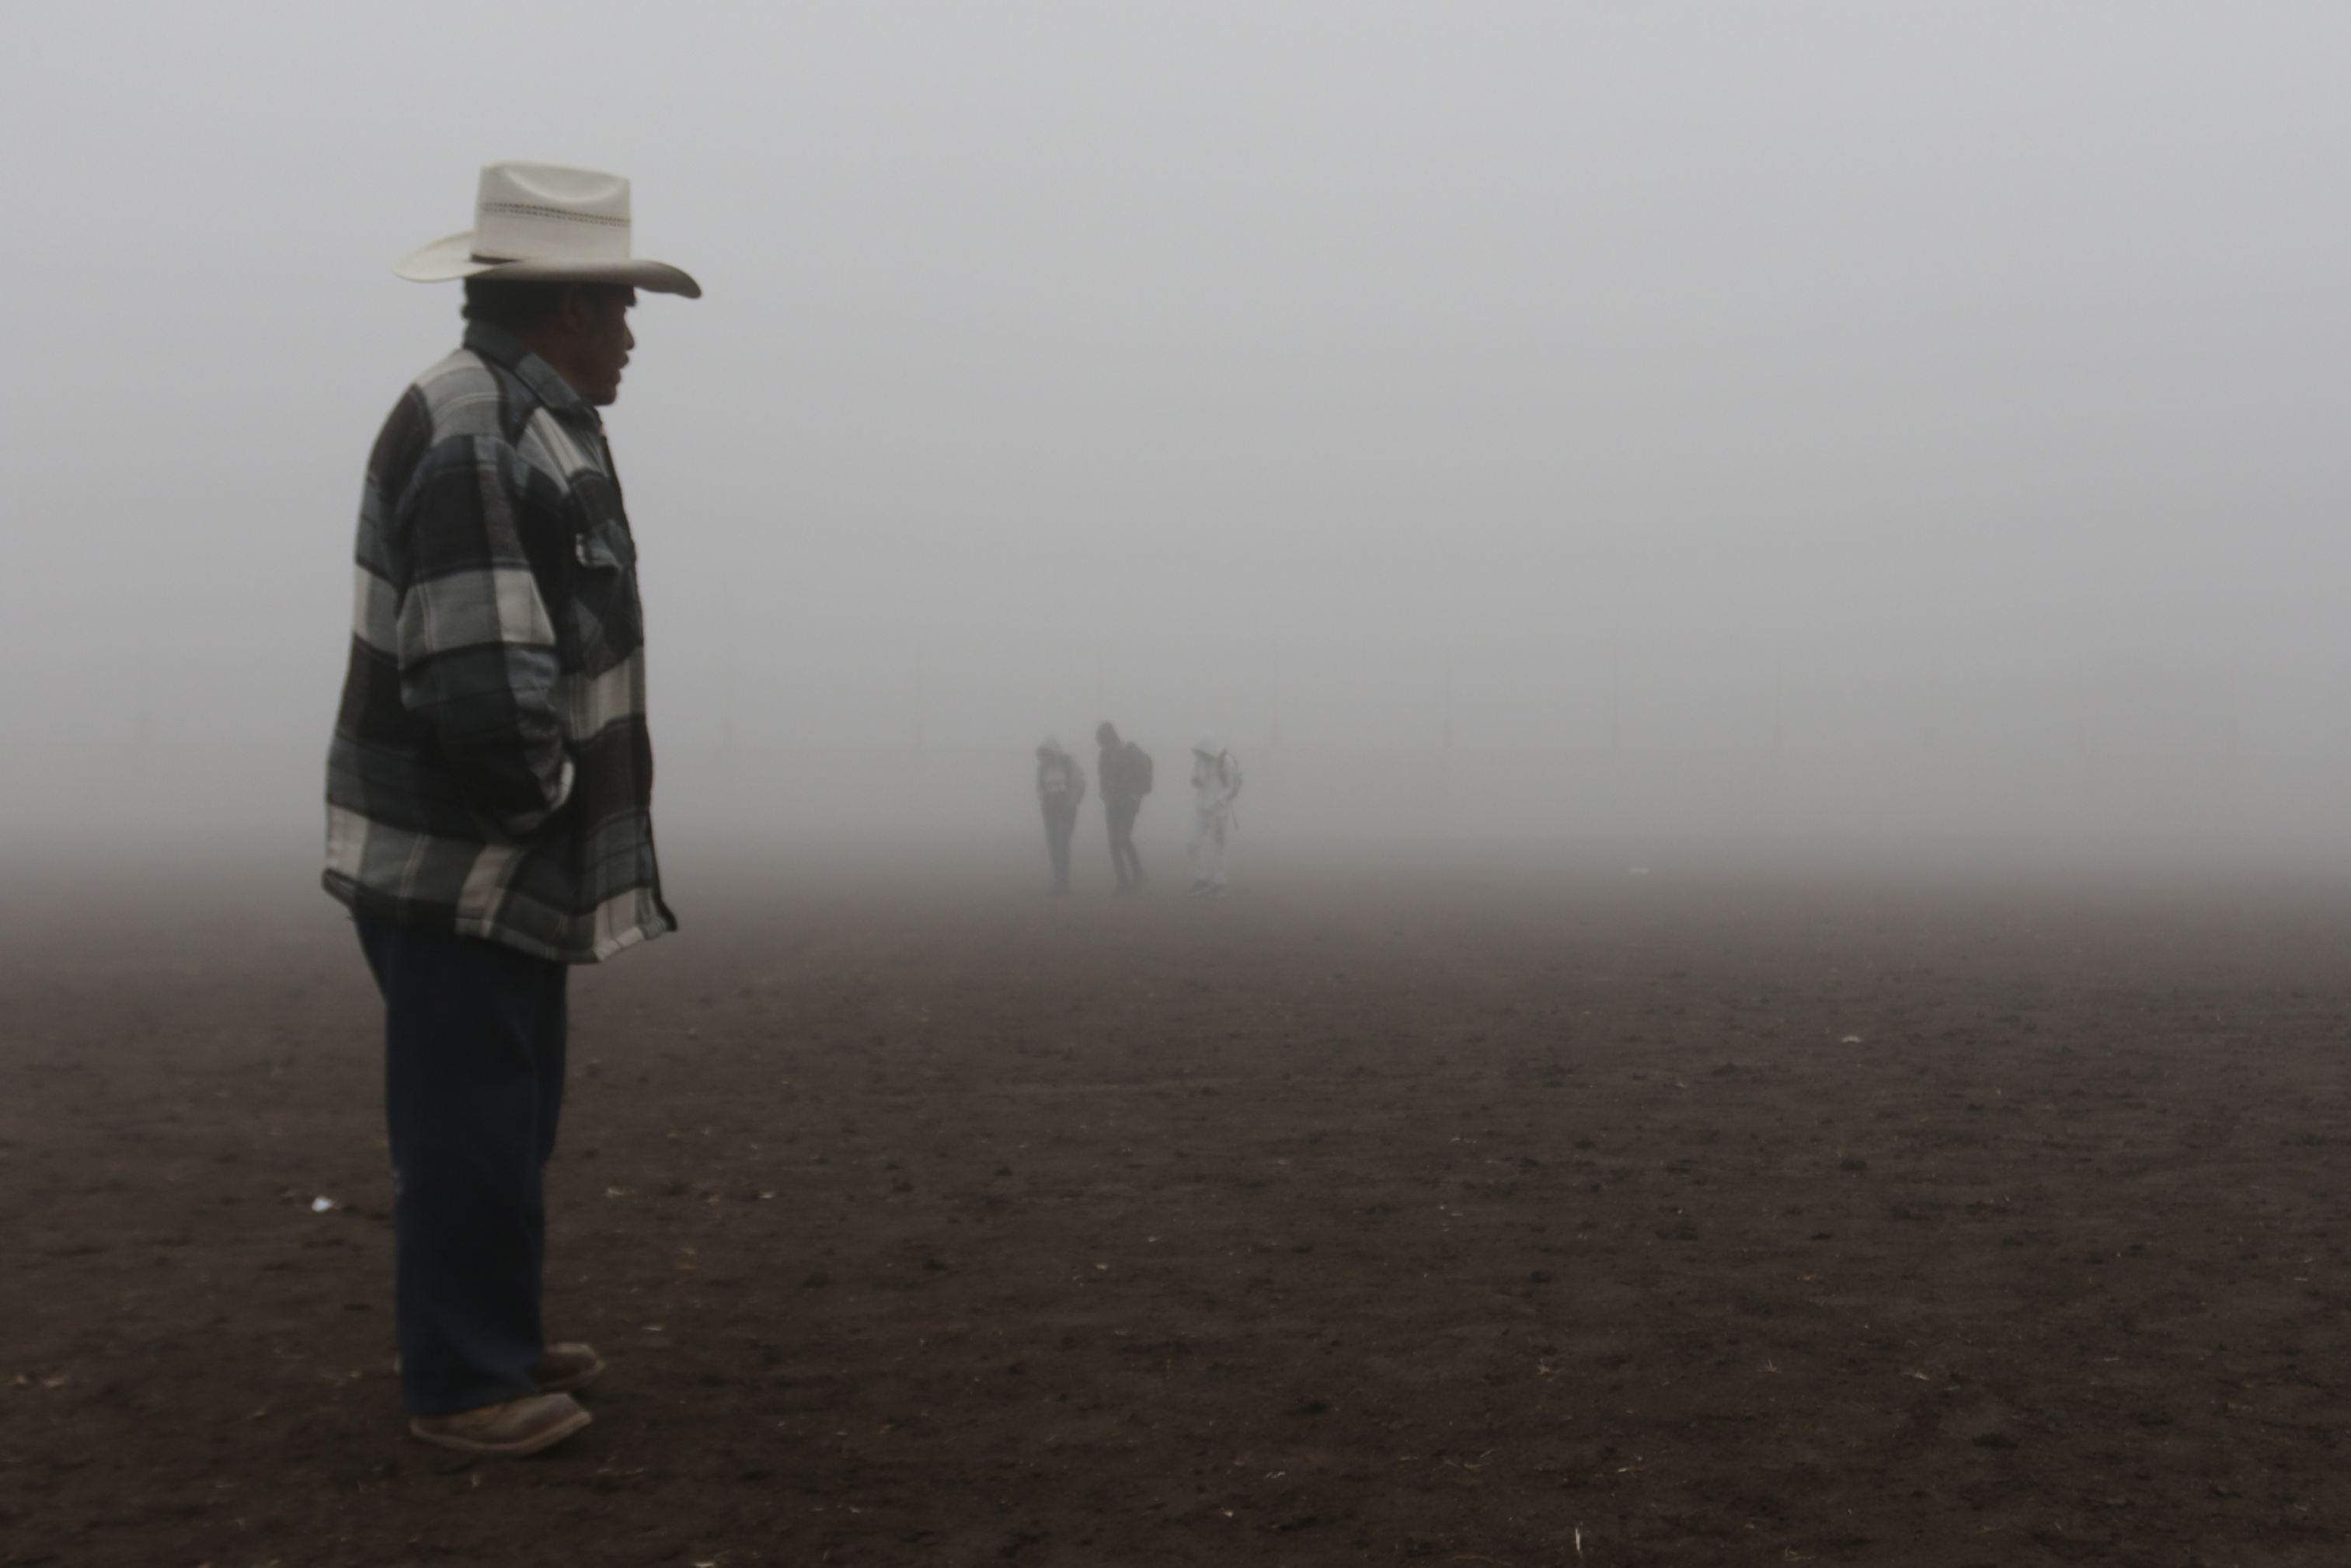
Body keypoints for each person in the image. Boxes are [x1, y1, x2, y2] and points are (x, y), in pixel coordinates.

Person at [322, 161, 701, 1458]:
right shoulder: (483, 428)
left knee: (502, 1106)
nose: (635, 339)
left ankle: (492, 1329)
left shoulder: (513, 413)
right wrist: (539, 799)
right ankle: (465, 1379)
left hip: (488, 860)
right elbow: (486, 673)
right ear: (568, 309)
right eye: (622, 309)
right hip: (472, 858)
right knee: (470, 1112)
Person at [1095, 721, 1152, 893]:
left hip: (1128, 801)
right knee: (1113, 842)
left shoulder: (1131, 752)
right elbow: (1102, 776)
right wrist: (1104, 794)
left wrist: (1136, 795)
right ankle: (1122, 881)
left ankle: (1138, 873)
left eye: (1105, 742)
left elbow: (1143, 774)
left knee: (1123, 838)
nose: (1104, 746)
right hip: (1112, 802)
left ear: (1112, 739)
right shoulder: (1104, 754)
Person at [1188, 734, 1242, 897]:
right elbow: (1195, 778)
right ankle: (1201, 879)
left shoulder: (1225, 761)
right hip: (1202, 808)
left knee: (1218, 847)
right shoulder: (1200, 760)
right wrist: (1195, 782)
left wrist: (1217, 801)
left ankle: (1220, 883)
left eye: (1201, 751)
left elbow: (1232, 787)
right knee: (1191, 844)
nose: (1198, 754)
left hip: (1219, 811)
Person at [1036, 738, 1086, 892]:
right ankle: (1059, 878)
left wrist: (1070, 803)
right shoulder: (1042, 768)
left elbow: (1078, 784)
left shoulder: (1068, 764)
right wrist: (1044, 804)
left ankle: (1062, 879)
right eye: (1043, 755)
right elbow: (1040, 787)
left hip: (1066, 808)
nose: (1046, 757)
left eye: (1048, 754)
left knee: (1061, 842)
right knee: (1052, 843)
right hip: (1050, 809)